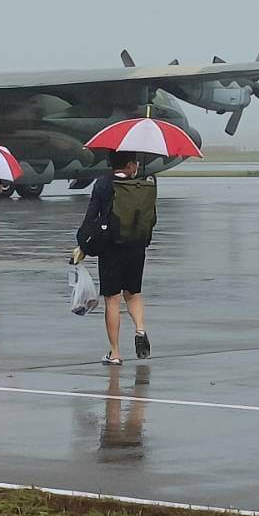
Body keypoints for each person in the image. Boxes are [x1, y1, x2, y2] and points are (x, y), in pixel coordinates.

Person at [74, 151, 154, 365]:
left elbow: (91, 216)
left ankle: (115, 353)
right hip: (137, 246)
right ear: (129, 165)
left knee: (112, 299)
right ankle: (140, 329)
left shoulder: (102, 184)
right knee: (134, 294)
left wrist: (83, 243)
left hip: (111, 248)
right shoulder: (142, 184)